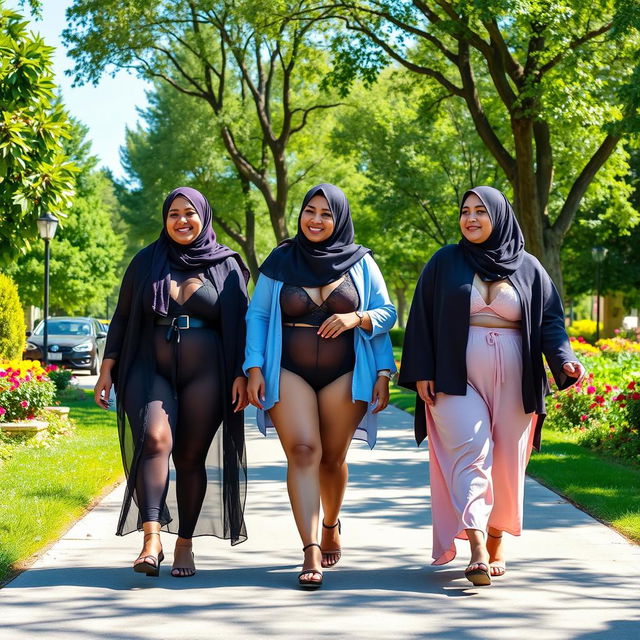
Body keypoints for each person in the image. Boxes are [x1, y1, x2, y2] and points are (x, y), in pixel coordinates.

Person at [399, 186, 584, 586]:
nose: (471, 218)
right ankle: (478, 547)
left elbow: (550, 322)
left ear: (499, 215)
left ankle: (496, 536)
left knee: (505, 461)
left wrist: (564, 359)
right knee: (471, 453)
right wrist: (422, 370)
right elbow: (421, 319)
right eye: (465, 211)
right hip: (454, 376)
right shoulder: (443, 262)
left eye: (480, 211)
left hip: (515, 379)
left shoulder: (530, 267)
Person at [245, 183, 396, 589]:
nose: (315, 219)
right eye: (309, 211)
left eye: (326, 213)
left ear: (339, 219)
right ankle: (310, 546)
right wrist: (254, 367)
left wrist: (357, 320)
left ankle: (331, 523)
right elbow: (257, 316)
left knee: (331, 458)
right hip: (287, 369)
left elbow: (387, 312)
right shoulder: (280, 260)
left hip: (344, 372)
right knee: (303, 449)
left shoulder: (361, 261)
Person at [94, 187, 250, 578]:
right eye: (173, 214)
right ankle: (151, 538)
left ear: (203, 216)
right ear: (165, 219)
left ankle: (185, 542)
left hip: (208, 373)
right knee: (154, 439)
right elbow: (124, 317)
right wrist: (107, 367)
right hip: (148, 367)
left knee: (191, 459)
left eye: (189, 213)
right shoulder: (147, 261)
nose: (182, 221)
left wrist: (242, 375)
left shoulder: (227, 264)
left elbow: (241, 327)